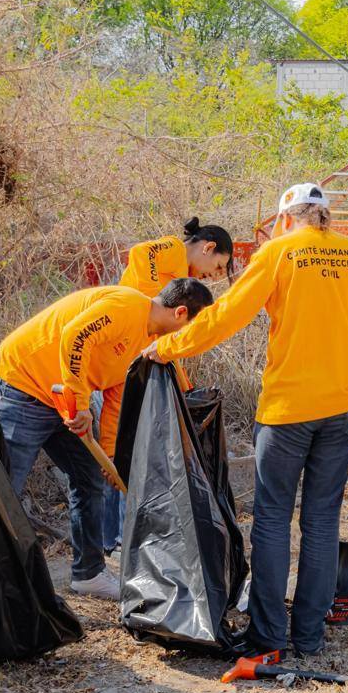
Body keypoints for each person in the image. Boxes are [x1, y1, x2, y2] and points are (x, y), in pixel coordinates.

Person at [143, 183, 348, 659]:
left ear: (286, 219)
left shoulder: (279, 253)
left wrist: (166, 347)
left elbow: (226, 315)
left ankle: (268, 635)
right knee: (323, 520)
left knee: (271, 519)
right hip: (344, 408)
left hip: (288, 411)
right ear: (325, 217)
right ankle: (309, 635)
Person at [0, 279, 213, 599]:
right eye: (195, 327)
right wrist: (80, 403)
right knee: (3, 488)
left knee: (89, 477)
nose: (191, 339)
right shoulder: (127, 307)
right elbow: (75, 336)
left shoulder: (147, 344)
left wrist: (109, 458)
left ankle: (88, 574)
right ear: (180, 313)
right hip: (24, 387)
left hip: (63, 403)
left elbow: (114, 404)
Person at [103, 218, 233, 554]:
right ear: (207, 247)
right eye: (217, 265)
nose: (213, 275)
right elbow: (141, 252)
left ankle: (121, 533)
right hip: (127, 351)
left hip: (139, 355)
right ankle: (117, 536)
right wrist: (153, 302)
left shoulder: (180, 282)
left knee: (126, 446)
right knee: (121, 446)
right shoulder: (172, 250)